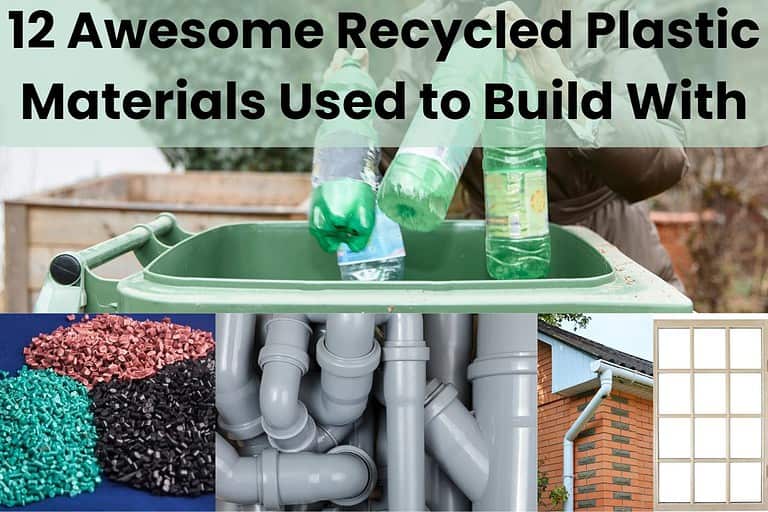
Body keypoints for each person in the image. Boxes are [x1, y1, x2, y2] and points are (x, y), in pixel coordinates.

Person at [325, 0, 690, 290]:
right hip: (495, 264)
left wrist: (562, 84)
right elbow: (385, 171)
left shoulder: (602, 15)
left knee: (629, 381)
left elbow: (665, 157)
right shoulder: (432, 30)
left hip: (609, 261)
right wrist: (347, 109)